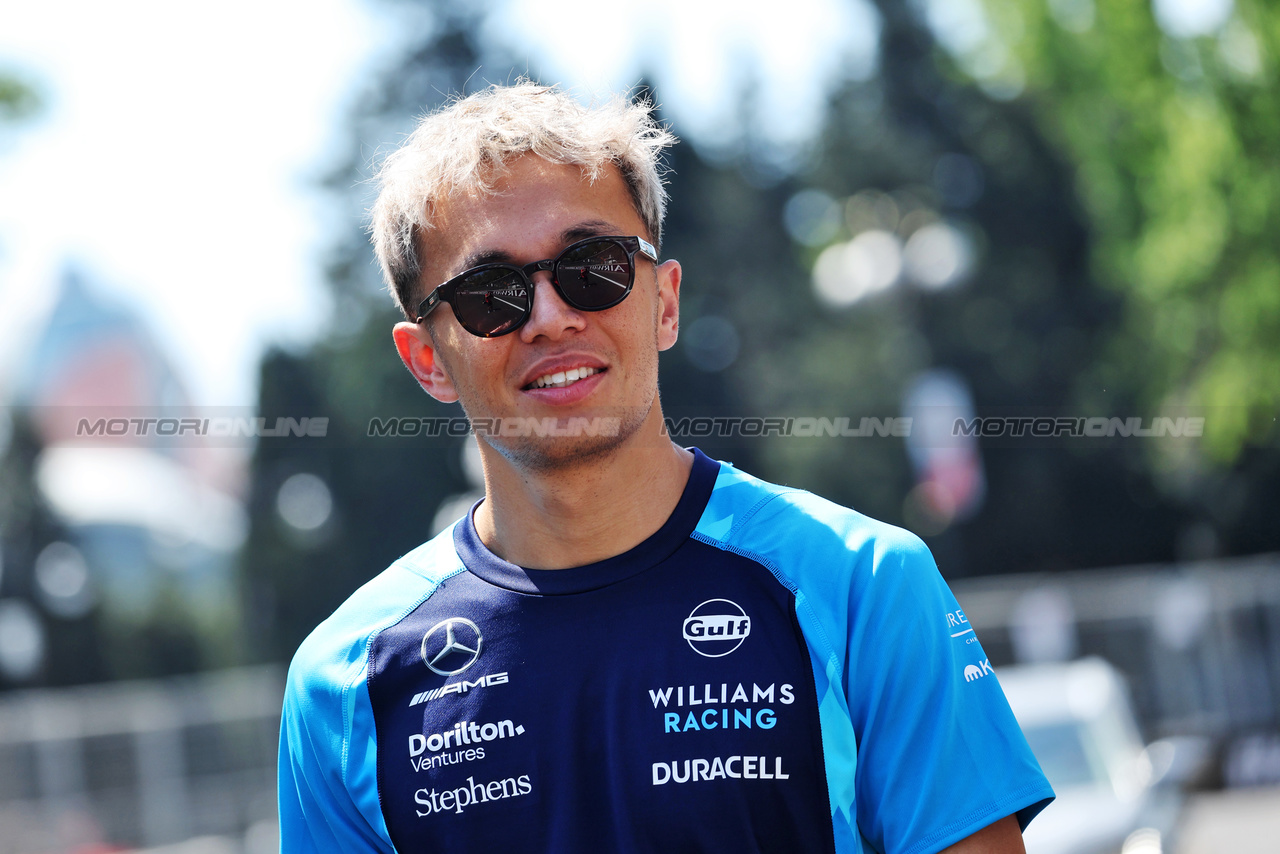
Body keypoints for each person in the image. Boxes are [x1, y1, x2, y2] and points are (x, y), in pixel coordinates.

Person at [278, 81, 1054, 853]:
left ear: (666, 302)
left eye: (594, 267)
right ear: (427, 362)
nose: (551, 316)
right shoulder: (342, 684)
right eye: (491, 294)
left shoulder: (862, 584)